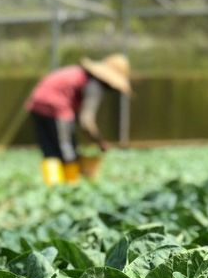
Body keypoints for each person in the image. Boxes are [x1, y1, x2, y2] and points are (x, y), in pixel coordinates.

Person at [25, 53, 132, 185]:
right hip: (57, 107)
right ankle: (71, 186)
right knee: (67, 149)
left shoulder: (79, 73)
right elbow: (86, 122)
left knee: (50, 150)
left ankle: (52, 188)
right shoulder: (94, 85)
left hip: (37, 104)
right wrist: (100, 142)